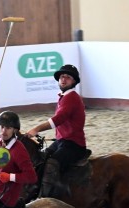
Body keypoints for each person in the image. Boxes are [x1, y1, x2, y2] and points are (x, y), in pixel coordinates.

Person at [26, 64, 87, 197]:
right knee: (40, 160)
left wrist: (36, 129)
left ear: (74, 81)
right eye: (61, 77)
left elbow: (58, 119)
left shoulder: (71, 97)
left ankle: (45, 197)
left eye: (68, 77)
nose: (63, 79)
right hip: (62, 142)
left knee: (52, 164)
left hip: (73, 145)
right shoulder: (64, 97)